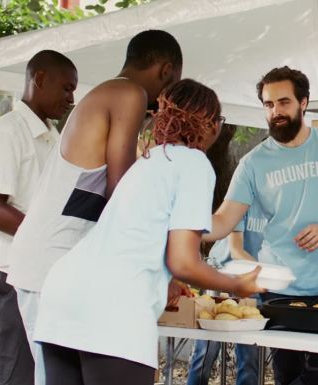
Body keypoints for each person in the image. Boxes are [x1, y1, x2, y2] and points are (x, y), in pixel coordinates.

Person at [31, 78, 263, 385]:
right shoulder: (194, 163)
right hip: (112, 306)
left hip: (62, 297)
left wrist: (165, 281)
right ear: (209, 124)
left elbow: (141, 237)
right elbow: (183, 260)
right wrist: (236, 285)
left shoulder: (148, 161)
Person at [5, 29, 182, 385]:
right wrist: (168, 264)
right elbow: (124, 193)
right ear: (165, 70)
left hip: (57, 262)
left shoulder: (107, 94)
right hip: (49, 262)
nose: (166, 99)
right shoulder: (127, 93)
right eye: (172, 85)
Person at [204, 66, 318, 385]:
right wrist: (180, 225)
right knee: (286, 377)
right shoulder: (252, 163)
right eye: (269, 104)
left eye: (284, 102)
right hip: (278, 290)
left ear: (303, 103)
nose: (276, 112)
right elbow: (224, 219)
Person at [0, 50, 77, 385]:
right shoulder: (5, 133)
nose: (71, 98)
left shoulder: (54, 138)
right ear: (40, 79)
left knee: (40, 375)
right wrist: (44, 237)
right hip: (6, 274)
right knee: (12, 374)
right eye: (66, 88)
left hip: (39, 275)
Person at [187, 202, 267, 385]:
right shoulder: (243, 200)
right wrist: (268, 272)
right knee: (206, 349)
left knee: (249, 351)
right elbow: (236, 250)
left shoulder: (281, 207)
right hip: (222, 276)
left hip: (253, 280)